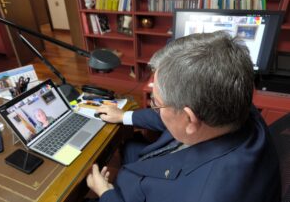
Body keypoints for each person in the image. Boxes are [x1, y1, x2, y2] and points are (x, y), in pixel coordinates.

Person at [86, 31, 281, 202]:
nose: (155, 108)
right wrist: (124, 116)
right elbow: (170, 115)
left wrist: (105, 192)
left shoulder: (202, 195)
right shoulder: (233, 100)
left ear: (189, 119)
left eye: (156, 103)